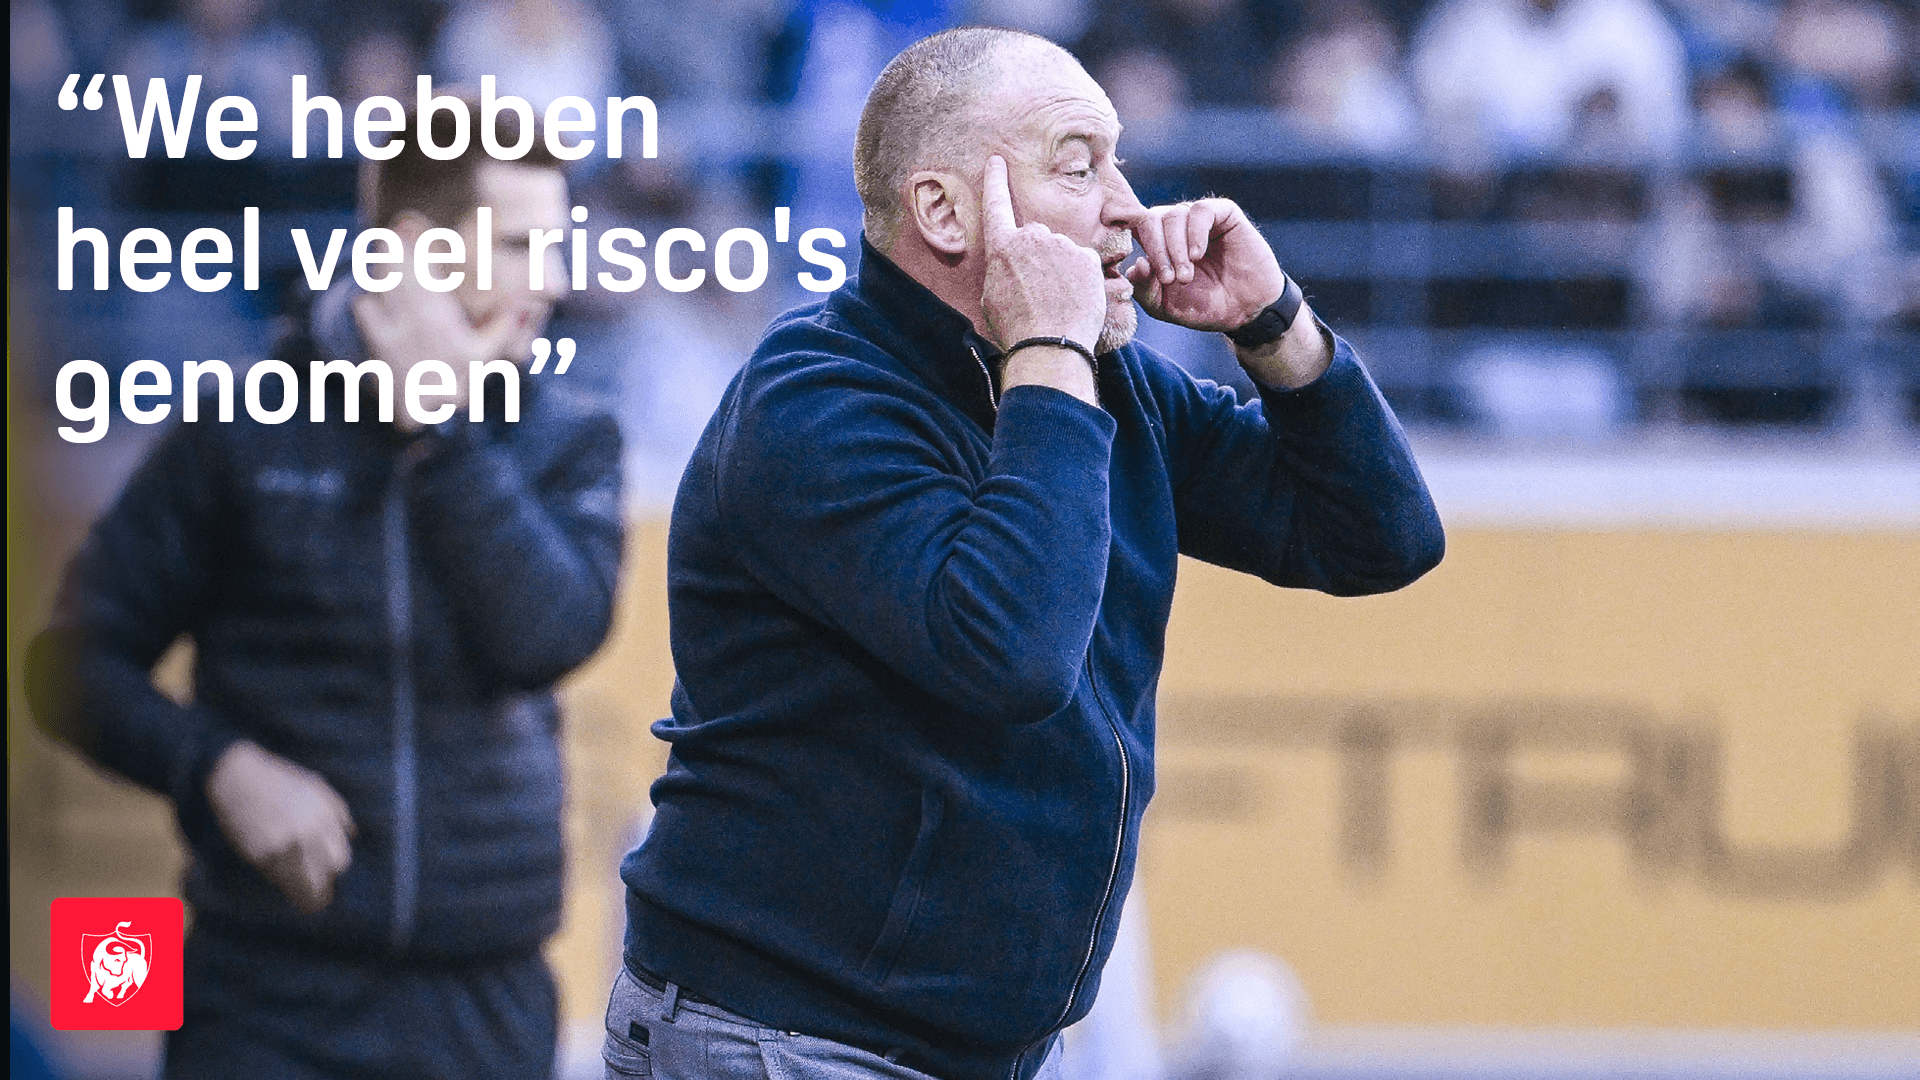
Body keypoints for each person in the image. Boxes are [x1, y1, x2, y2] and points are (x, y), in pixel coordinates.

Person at [606, 26, 1443, 1080]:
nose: (1130, 207)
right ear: (944, 212)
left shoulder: (1103, 385)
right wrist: (1048, 348)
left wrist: (1275, 324)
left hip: (963, 1049)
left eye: (1119, 162)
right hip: (779, 1038)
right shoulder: (812, 400)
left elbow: (1380, 537)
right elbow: (1011, 653)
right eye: (1079, 166)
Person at [26, 106, 625, 1080]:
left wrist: (443, 431)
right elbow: (68, 664)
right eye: (524, 246)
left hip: (487, 1005)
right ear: (419, 248)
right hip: (264, 1004)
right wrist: (218, 768)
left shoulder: (570, 434)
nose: (554, 281)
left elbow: (549, 637)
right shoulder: (241, 426)